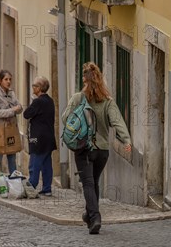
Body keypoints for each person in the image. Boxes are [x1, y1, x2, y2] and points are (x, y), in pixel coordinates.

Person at [62, 62, 132, 235]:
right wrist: (126, 140)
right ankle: (89, 214)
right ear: (100, 79)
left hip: (84, 148)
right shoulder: (108, 101)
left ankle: (95, 217)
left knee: (88, 183)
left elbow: (65, 119)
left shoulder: (78, 98)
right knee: (93, 182)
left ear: (84, 79)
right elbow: (117, 122)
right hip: (102, 150)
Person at [0, 70, 23, 194]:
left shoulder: (11, 93)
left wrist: (16, 109)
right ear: (0, 80)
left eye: (10, 79)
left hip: (10, 130)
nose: (8, 82)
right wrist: (13, 110)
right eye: (6, 79)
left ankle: (15, 185)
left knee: (12, 157)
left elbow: (20, 107)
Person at [23, 76, 56, 197]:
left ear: (39, 88)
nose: (32, 88)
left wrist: (32, 102)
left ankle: (31, 186)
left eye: (34, 86)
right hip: (49, 137)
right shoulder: (50, 100)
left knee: (34, 163)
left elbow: (26, 114)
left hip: (38, 138)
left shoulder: (38, 101)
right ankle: (47, 188)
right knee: (47, 164)